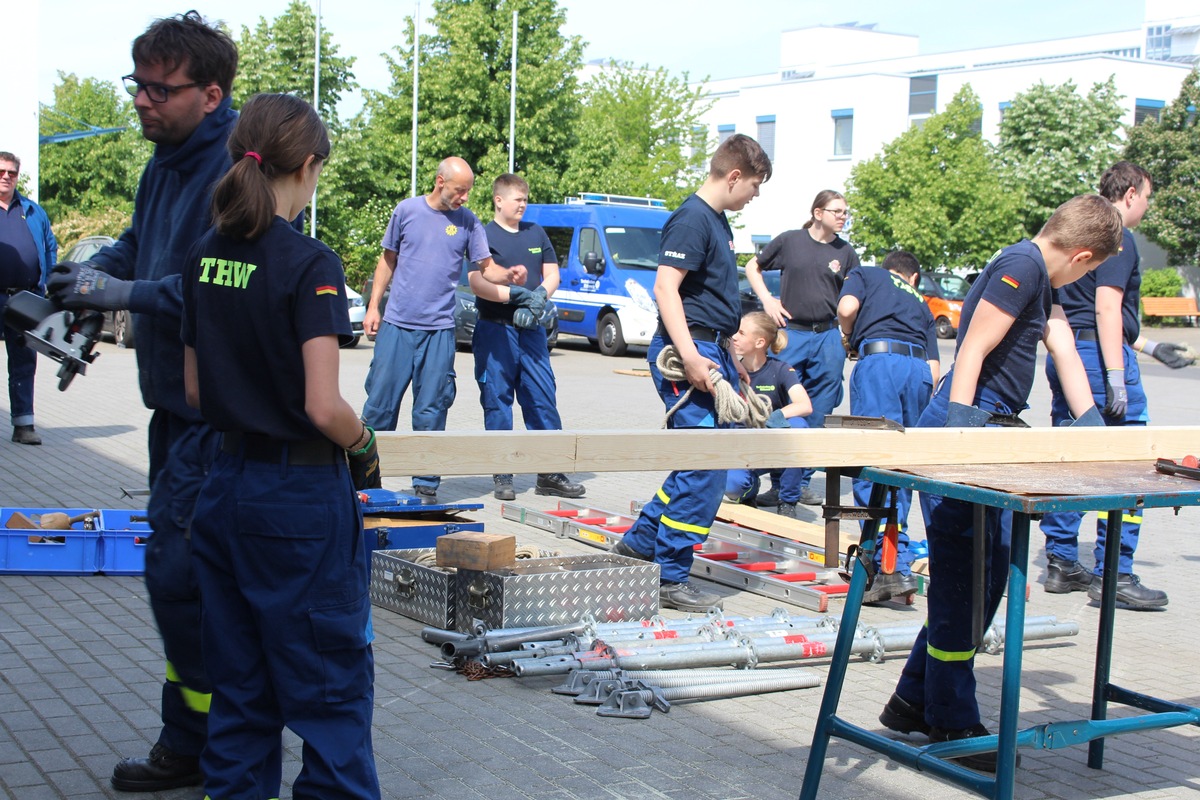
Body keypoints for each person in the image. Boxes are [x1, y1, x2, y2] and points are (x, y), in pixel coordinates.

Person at [47, 11, 238, 792]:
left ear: (212, 93)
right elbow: (136, 245)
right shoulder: (163, 164)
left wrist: (118, 290)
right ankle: (196, 737)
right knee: (179, 580)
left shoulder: (232, 171)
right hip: (172, 413)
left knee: (180, 576)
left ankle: (202, 745)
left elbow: (215, 286)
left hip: (211, 422)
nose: (143, 102)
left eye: (162, 89)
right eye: (139, 85)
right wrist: (85, 278)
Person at [182, 92, 381, 800]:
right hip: (297, 505)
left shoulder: (206, 254)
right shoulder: (310, 264)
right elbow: (323, 406)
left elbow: (198, 393)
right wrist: (363, 446)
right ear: (307, 165)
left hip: (225, 487)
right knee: (328, 696)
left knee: (240, 695)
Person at [878, 194, 1121, 773]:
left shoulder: (1041, 276)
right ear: (1083, 256)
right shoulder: (1023, 267)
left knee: (988, 575)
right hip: (968, 421)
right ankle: (953, 720)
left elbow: (1060, 343)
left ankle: (913, 698)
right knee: (966, 582)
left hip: (992, 426)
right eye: (1090, 270)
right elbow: (973, 352)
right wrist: (959, 445)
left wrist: (1095, 430)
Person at [610, 133, 772, 613]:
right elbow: (666, 289)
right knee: (704, 464)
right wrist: (693, 356)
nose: (755, 197)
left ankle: (641, 543)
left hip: (712, 348)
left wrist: (734, 367)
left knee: (698, 462)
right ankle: (669, 577)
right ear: (735, 175)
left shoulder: (716, 223)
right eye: (755, 186)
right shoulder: (693, 219)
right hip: (690, 350)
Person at [1040, 162, 1192, 610]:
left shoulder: (1081, 229)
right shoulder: (1116, 233)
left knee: (1073, 461)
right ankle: (1116, 574)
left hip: (1076, 352)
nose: (1147, 205)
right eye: (1147, 196)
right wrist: (1115, 376)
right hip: (1099, 359)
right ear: (1129, 194)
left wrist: (1150, 345)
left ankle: (1062, 562)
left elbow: (1094, 314)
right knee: (1133, 467)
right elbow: (1107, 309)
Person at [361, 157, 523, 503]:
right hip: (397, 326)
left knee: (432, 409)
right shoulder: (406, 211)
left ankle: (426, 484)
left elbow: (486, 267)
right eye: (459, 190)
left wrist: (508, 275)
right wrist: (374, 306)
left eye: (468, 191)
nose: (464, 197)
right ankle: (363, 479)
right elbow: (387, 260)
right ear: (440, 182)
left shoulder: (468, 222)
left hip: (439, 331)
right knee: (379, 407)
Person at [469, 173, 585, 501]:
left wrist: (537, 300)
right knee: (497, 401)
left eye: (525, 199)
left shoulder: (536, 232)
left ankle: (550, 472)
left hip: (531, 330)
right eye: (517, 199)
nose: (523, 204)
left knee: (542, 398)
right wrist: (514, 296)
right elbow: (477, 282)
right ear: (498, 200)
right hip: (495, 329)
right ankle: (502, 472)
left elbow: (552, 275)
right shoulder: (483, 234)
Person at [744, 189, 860, 507]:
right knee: (775, 399)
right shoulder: (790, 241)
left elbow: (853, 297)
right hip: (791, 333)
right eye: (837, 211)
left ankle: (802, 481)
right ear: (818, 212)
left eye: (845, 212)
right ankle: (774, 481)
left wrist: (848, 337)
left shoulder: (846, 252)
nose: (843, 216)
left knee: (820, 408)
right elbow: (753, 266)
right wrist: (767, 300)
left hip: (827, 337)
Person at [837, 251, 940, 604]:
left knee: (871, 463)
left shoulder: (865, 273)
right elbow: (935, 368)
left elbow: (847, 309)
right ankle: (899, 558)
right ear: (913, 277)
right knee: (901, 467)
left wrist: (849, 338)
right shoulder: (922, 301)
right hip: (919, 373)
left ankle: (885, 568)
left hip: (879, 361)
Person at [722, 311, 812, 516]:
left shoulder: (780, 369)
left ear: (760, 342)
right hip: (743, 448)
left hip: (773, 445)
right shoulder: (729, 371)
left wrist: (772, 418)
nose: (734, 336)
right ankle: (748, 492)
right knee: (731, 484)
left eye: (741, 333)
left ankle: (787, 500)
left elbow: (804, 405)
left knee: (798, 426)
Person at [0, 151, 57, 446]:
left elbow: (49, 247)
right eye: (1, 171)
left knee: (24, 361)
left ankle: (24, 425)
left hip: (24, 298)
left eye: (11, 172)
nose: (6, 177)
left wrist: (46, 284)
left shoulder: (33, 211)